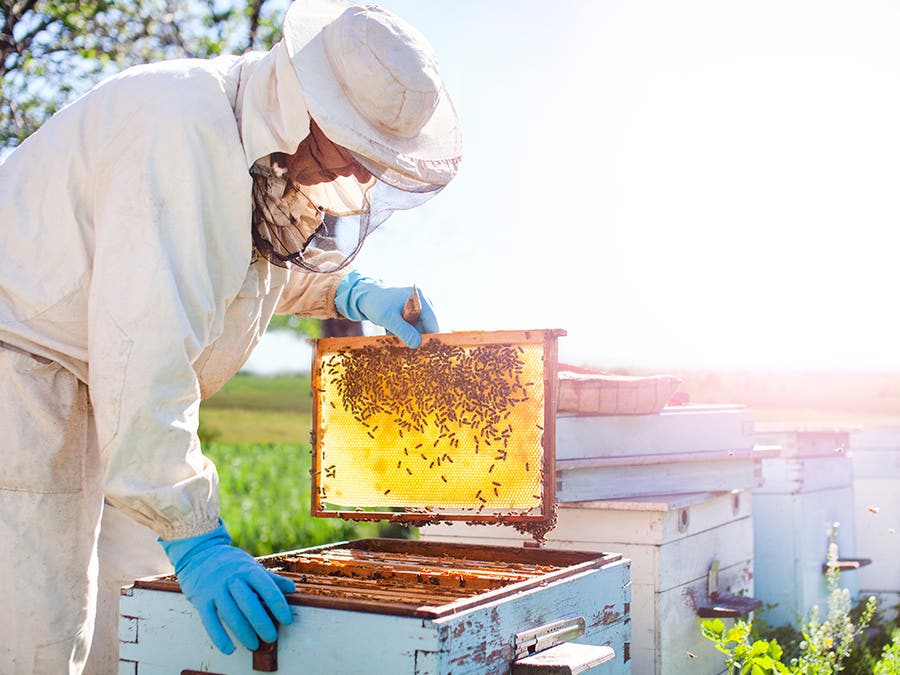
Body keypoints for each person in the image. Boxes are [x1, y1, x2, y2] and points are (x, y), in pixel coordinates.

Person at [0, 0, 461, 671]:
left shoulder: (265, 153)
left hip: (103, 384)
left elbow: (247, 266)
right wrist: (199, 541)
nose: (363, 176)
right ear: (312, 107)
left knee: (137, 606)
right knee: (38, 628)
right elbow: (145, 340)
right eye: (357, 150)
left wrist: (351, 291)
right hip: (25, 372)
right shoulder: (183, 129)